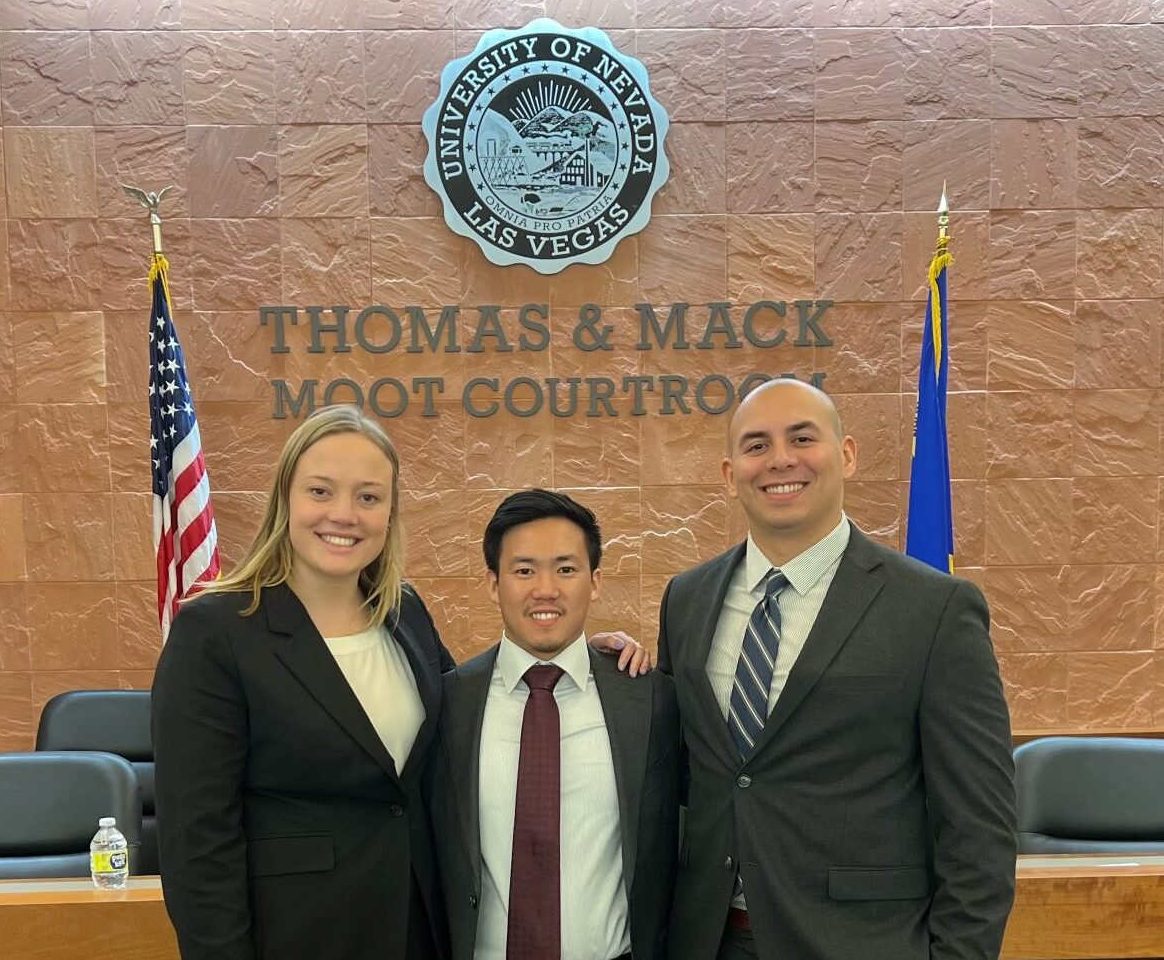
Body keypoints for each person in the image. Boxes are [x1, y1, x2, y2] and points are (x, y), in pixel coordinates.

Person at [152, 406, 649, 960]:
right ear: (285, 500)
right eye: (321, 491)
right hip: (299, 937)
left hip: (418, 930)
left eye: (368, 497)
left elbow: (471, 708)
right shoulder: (216, 631)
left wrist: (581, 656)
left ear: (389, 513)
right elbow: (197, 843)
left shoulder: (403, 612)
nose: (345, 514)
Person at [658, 380, 1016, 960]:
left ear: (846, 455)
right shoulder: (686, 599)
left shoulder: (935, 609)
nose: (780, 460)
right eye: (756, 446)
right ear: (729, 474)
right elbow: (686, 773)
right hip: (708, 940)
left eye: (802, 438)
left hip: (862, 943)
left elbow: (979, 827)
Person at [429, 489, 679, 960]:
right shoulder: (448, 702)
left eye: (566, 569)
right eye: (523, 570)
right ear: (492, 583)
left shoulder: (649, 698)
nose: (546, 589)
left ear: (596, 581)